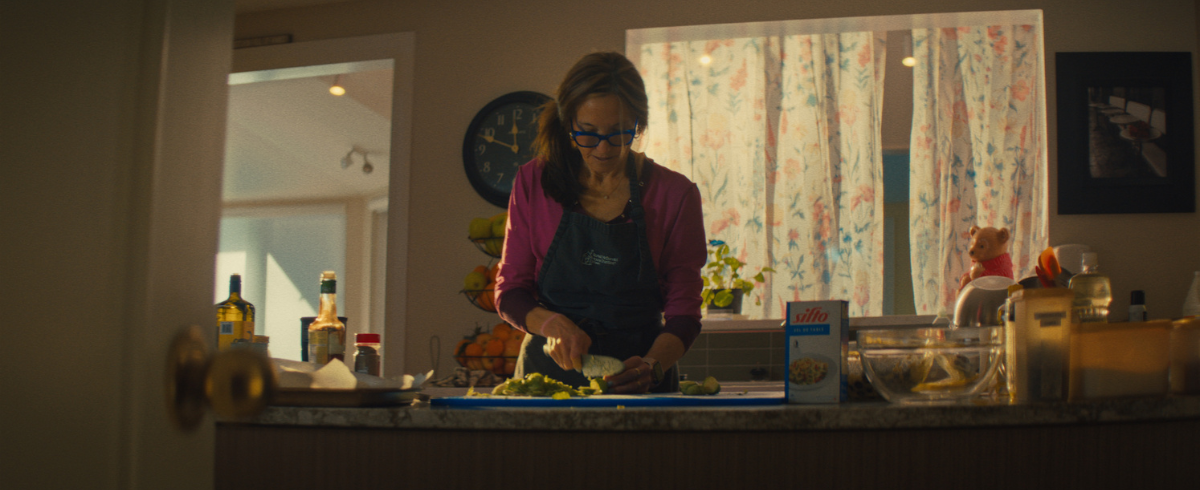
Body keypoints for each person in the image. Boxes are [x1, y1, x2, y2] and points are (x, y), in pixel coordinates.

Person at [493, 51, 707, 395]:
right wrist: (552, 324)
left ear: (639, 124)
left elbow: (684, 312)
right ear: (568, 124)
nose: (604, 149)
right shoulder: (533, 181)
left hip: (640, 375)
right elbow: (510, 292)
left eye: (619, 133)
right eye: (588, 133)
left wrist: (652, 366)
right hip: (547, 375)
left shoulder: (675, 194)